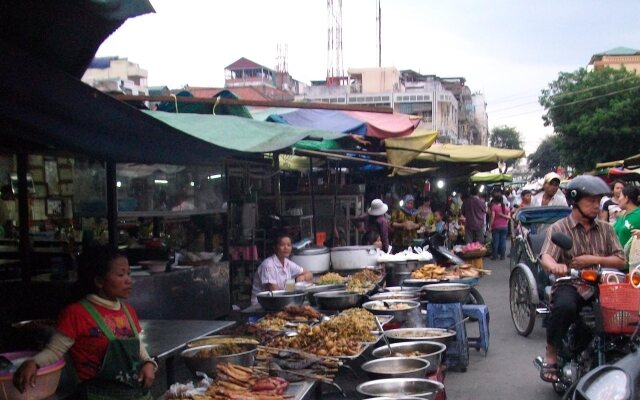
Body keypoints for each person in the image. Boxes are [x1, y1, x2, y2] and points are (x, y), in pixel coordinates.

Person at [13, 244, 157, 399]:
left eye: (128, 274)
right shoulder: (76, 314)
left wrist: (149, 364)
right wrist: (33, 363)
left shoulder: (128, 311)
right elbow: (55, 351)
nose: (129, 280)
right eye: (121, 275)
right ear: (99, 281)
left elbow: (138, 347)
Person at [538, 175, 625, 383]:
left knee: (625, 316)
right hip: (572, 283)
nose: (597, 206)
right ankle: (551, 352)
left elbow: (620, 259)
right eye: (591, 201)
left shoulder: (606, 229)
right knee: (565, 307)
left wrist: (593, 259)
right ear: (575, 201)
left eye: (598, 201)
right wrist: (555, 266)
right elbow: (547, 255)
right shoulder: (559, 228)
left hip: (602, 285)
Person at [250, 233, 313, 304]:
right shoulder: (268, 265)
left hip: (282, 300)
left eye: (289, 245)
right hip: (262, 303)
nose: (286, 248)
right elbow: (275, 292)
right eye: (282, 245)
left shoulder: (288, 263)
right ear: (275, 247)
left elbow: (309, 273)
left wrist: (302, 277)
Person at [613, 186, 640, 270]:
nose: (618, 199)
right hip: (617, 265)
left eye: (620, 196)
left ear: (626, 198)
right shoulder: (622, 215)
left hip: (633, 268)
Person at [489, 194, 510, 260]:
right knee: (503, 241)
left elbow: (493, 217)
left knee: (496, 241)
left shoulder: (494, 207)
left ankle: (495, 256)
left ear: (495, 200)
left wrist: (490, 226)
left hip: (496, 226)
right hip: (504, 226)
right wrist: (505, 223)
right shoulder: (507, 208)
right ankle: (502, 256)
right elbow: (509, 218)